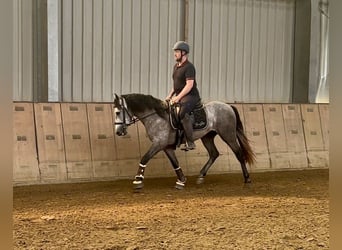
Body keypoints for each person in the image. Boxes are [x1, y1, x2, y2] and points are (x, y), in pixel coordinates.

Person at [166, 41, 201, 151]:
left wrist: (178, 97)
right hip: (181, 95)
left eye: (177, 51)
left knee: (182, 112)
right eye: (175, 51)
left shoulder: (189, 67)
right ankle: (177, 137)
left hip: (191, 96)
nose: (175, 54)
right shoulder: (176, 67)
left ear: (184, 53)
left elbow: (189, 85)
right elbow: (176, 85)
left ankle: (190, 142)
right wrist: (170, 95)